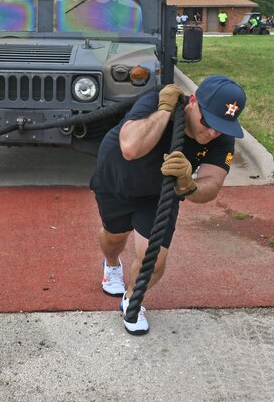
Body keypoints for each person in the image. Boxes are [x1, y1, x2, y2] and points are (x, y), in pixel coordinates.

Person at [91, 75, 247, 335]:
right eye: (208, 122)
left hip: (160, 193)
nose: (212, 132)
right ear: (193, 101)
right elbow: (130, 147)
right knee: (114, 236)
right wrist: (164, 111)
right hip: (118, 179)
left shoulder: (221, 136)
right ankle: (112, 264)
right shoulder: (157, 101)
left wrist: (189, 185)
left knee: (153, 259)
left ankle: (132, 298)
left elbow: (212, 184)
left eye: (221, 127)